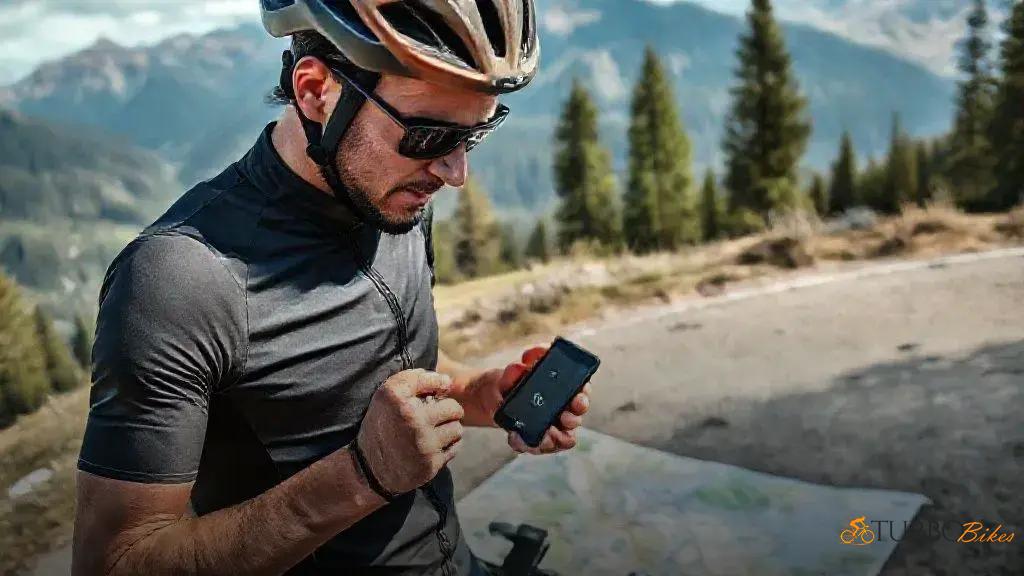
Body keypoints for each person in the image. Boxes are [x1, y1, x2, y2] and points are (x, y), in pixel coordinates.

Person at [71, 1, 590, 574]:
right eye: (427, 135)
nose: (454, 173)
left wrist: (481, 396)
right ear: (317, 91)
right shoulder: (176, 283)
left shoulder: (394, 194)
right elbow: (114, 562)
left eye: (476, 133)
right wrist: (361, 475)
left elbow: (368, 368)